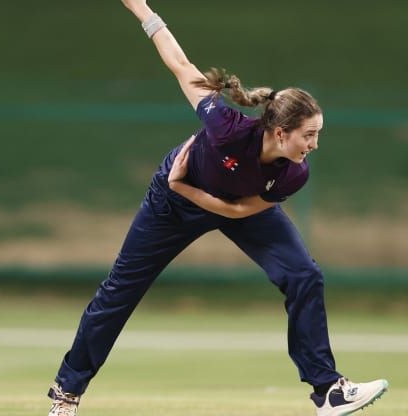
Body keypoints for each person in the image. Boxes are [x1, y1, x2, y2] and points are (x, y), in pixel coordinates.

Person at [47, 1, 389, 415]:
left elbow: (240, 212)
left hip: (226, 203)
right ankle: (67, 392)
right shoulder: (226, 127)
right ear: (280, 133)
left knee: (304, 275)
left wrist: (187, 189)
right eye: (309, 134)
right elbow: (180, 64)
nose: (315, 144)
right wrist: (141, 9)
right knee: (120, 291)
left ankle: (328, 391)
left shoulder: (293, 173)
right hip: (170, 202)